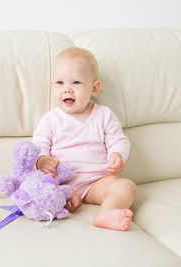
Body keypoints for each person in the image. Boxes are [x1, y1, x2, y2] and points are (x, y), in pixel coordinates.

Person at [32, 47, 137, 231]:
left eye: (76, 83)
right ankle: (64, 200)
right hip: (61, 182)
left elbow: (118, 140)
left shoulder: (104, 115)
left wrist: (117, 155)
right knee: (43, 190)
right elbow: (39, 145)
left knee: (127, 187)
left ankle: (109, 211)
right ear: (51, 87)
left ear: (94, 88)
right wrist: (41, 160)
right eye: (60, 83)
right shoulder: (50, 120)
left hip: (96, 182)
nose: (67, 89)